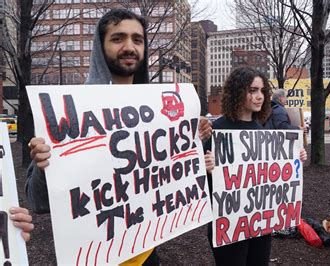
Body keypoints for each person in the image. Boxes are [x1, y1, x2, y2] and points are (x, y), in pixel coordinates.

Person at [25, 9, 212, 265]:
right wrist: (42, 165)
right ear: (99, 47)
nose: (129, 47)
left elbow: (169, 177)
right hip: (96, 257)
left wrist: (195, 145)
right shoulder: (68, 114)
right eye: (118, 38)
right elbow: (38, 202)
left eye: (137, 39)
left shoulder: (162, 112)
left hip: (146, 254)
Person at [207, 66, 307, 265]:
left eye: (262, 91)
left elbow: (271, 174)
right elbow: (195, 181)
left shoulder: (262, 130)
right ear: (237, 92)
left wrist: (294, 159)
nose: (260, 96)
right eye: (252, 91)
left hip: (260, 223)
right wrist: (205, 168)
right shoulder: (216, 130)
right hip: (229, 224)